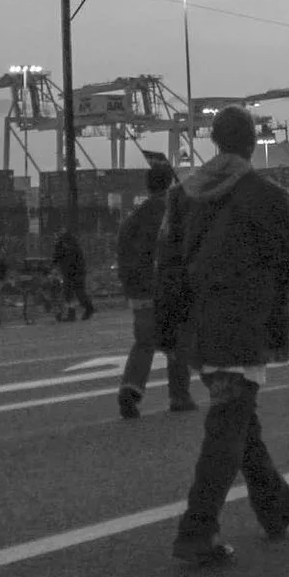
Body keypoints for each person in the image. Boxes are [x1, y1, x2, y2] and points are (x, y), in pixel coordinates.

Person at [151, 106, 289, 565]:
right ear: (252, 143)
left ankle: (274, 508)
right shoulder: (265, 194)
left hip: (199, 327)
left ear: (215, 141)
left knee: (236, 418)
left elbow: (167, 267)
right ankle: (197, 529)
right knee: (228, 426)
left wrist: (168, 328)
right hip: (244, 323)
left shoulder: (182, 196)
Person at [115, 156, 193, 419]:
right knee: (177, 343)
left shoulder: (134, 218)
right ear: (170, 183)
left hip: (139, 291)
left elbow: (123, 253)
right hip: (167, 288)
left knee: (144, 344)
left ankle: (130, 388)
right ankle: (179, 396)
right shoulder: (173, 213)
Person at [52, 230, 96, 320]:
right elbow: (56, 258)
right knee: (70, 293)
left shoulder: (73, 248)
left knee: (78, 293)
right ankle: (72, 313)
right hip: (70, 272)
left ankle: (87, 308)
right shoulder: (62, 247)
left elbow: (75, 261)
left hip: (75, 272)